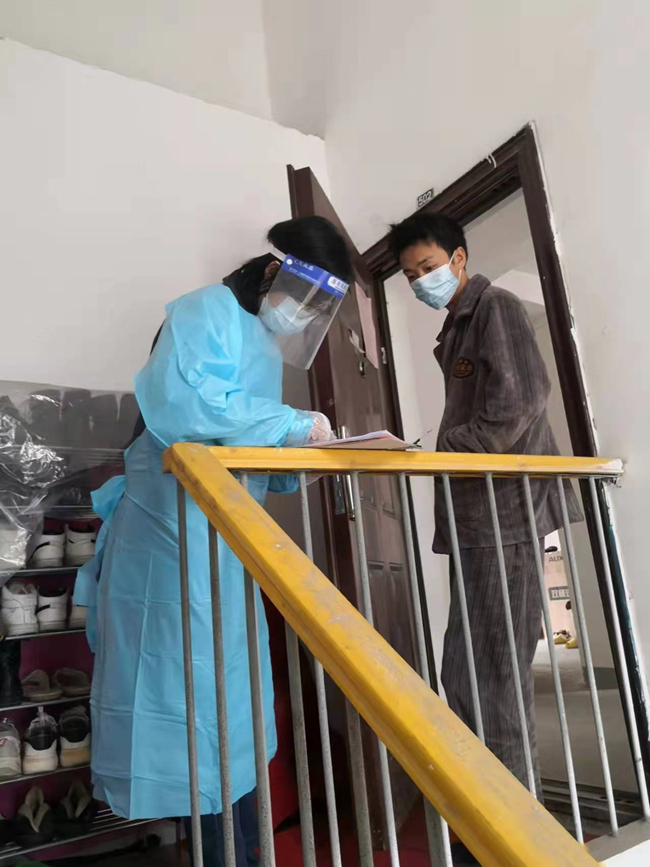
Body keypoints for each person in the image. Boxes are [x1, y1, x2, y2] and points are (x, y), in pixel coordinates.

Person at [73, 216, 353, 867]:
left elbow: (250, 446)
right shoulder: (205, 311)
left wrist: (306, 455)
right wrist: (291, 425)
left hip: (223, 547)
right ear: (275, 271)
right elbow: (188, 409)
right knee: (182, 707)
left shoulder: (263, 345)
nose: (304, 313)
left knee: (228, 710)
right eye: (307, 295)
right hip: (167, 540)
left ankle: (239, 851)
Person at [387, 212, 582, 859]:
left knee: (496, 683)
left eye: (428, 267)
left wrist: (439, 455)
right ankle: (491, 821)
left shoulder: (496, 307)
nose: (421, 281)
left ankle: (515, 838)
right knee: (464, 676)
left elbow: (519, 405)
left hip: (508, 518)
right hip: (475, 523)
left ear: (459, 259)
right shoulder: (455, 329)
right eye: (410, 275)